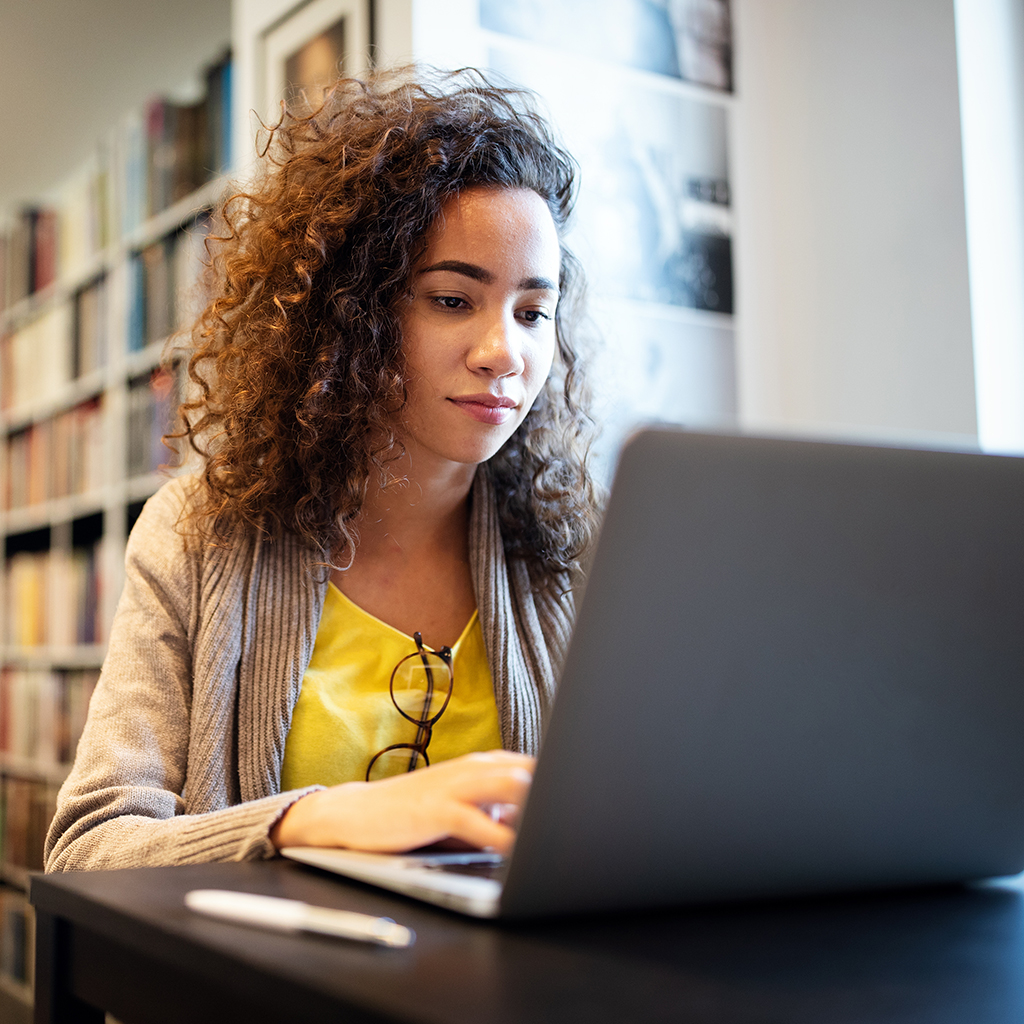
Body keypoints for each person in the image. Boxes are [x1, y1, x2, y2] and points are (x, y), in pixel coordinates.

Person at [44, 67, 600, 872]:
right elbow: (88, 847)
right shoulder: (198, 531)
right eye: (452, 300)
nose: (504, 354)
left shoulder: (578, 549)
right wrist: (317, 821)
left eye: (532, 313)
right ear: (353, 310)